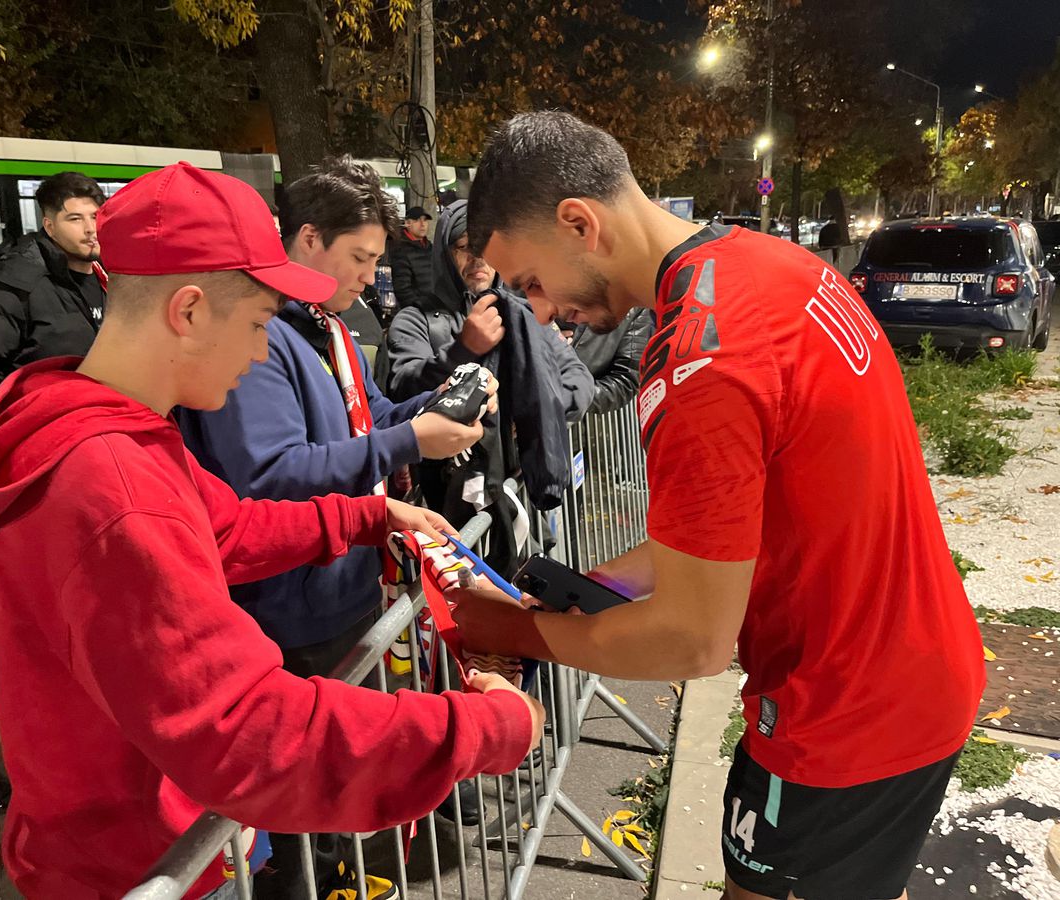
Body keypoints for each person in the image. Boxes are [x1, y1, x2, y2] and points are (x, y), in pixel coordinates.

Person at [0, 162, 543, 900]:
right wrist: (478, 729)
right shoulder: (111, 483)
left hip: (137, 843)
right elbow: (247, 730)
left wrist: (363, 515)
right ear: (189, 310)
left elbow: (222, 528)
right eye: (258, 323)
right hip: (138, 865)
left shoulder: (110, 428)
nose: (263, 352)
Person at [449, 111, 985, 900]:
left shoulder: (702, 359)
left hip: (839, 713)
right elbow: (727, 538)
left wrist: (509, 629)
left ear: (578, 223)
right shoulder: (769, 264)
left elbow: (692, 641)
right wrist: (583, 584)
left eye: (531, 281)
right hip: (917, 674)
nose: (540, 310)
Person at [177, 158, 491, 895]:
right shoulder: (261, 343)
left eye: (378, 261)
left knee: (336, 783)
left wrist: (434, 411)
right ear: (308, 239)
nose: (368, 278)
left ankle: (339, 872)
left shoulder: (331, 330)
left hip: (342, 587)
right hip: (287, 606)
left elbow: (368, 419)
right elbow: (273, 475)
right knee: (300, 797)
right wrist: (411, 443)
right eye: (360, 258)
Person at [385, 199, 594, 573]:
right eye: (465, 246)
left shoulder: (524, 315)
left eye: (487, 248)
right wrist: (463, 349)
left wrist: (531, 408)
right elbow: (402, 387)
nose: (478, 259)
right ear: (445, 253)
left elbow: (578, 380)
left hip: (517, 494)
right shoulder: (415, 319)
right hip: (441, 501)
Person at [0, 171, 106, 407]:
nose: (91, 228)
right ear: (49, 227)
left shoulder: (115, 279)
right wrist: (16, 425)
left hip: (106, 424)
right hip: (50, 431)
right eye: (75, 219)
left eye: (95, 216)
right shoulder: (15, 286)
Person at [559, 307, 653, 414]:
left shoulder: (636, 308)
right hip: (538, 386)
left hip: (566, 418)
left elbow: (625, 381)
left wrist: (574, 395)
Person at [389, 205, 433, 311]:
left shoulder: (431, 248)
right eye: (417, 220)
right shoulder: (400, 250)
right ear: (408, 223)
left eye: (425, 220)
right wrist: (419, 309)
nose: (422, 224)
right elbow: (402, 289)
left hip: (435, 308)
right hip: (419, 312)